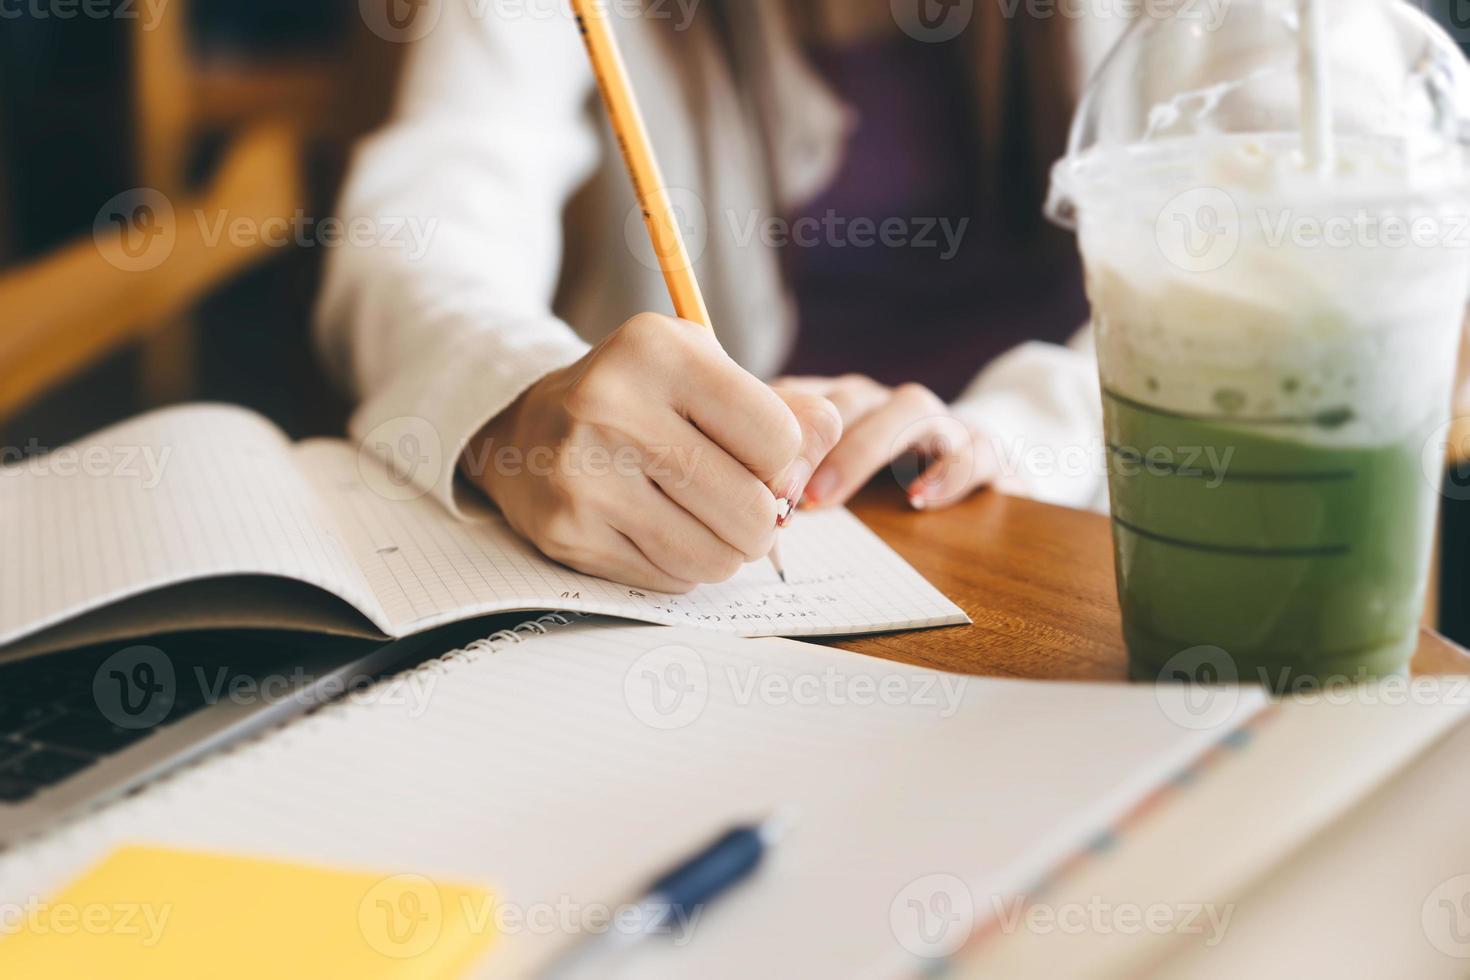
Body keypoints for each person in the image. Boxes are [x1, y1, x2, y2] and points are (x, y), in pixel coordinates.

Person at [317, 0, 1118, 592]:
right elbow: (419, 229)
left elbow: (1232, 287)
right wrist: (520, 401)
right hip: (728, 557)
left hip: (1075, 537)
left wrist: (1008, 439)